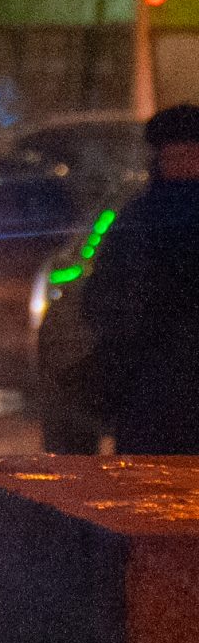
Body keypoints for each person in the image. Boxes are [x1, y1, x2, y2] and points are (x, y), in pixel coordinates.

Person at [81, 102, 199, 453]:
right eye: (173, 156)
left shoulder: (137, 217)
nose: (183, 164)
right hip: (150, 380)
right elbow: (105, 292)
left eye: (191, 154)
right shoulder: (138, 219)